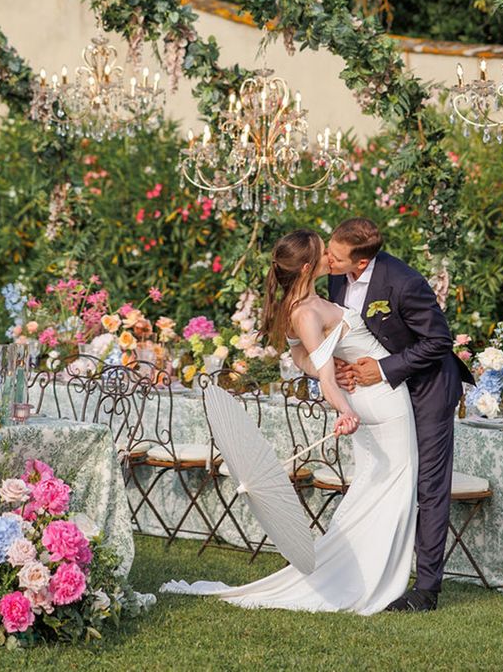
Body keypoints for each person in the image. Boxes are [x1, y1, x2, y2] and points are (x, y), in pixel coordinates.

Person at [160, 228, 418, 613]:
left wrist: (330, 372)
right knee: (391, 493)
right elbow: (326, 373)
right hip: (380, 403)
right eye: (323, 251)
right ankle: (367, 581)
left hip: (373, 397)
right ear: (309, 265)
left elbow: (303, 360)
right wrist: (343, 407)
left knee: (374, 491)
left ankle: (366, 573)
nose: (331, 256)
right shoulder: (305, 312)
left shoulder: (302, 304)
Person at [328, 216, 472, 612]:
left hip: (428, 389)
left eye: (334, 256)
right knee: (384, 476)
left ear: (360, 263)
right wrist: (344, 366)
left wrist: (385, 368)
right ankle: (371, 570)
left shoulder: (404, 283)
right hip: (381, 396)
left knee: (428, 484)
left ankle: (426, 589)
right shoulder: (335, 278)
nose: (326, 259)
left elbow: (439, 341)